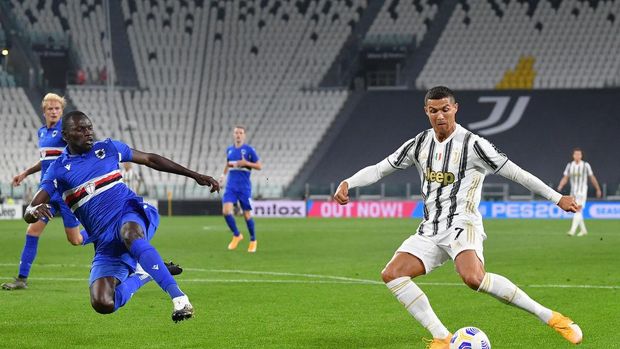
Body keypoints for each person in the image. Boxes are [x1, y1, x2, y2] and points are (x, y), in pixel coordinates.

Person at [333, 86, 583, 348]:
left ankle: (553, 318)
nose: (439, 115)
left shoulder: (474, 145)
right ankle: (441, 337)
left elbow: (516, 173)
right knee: (392, 274)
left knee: (473, 278)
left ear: (454, 108)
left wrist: (558, 198)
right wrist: (348, 182)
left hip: (463, 223)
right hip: (430, 228)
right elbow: (379, 169)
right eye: (433, 110)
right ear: (426, 112)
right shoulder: (419, 143)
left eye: (444, 109)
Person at [23, 111, 219, 321]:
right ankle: (143, 274)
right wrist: (33, 211)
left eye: (89, 127)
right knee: (103, 302)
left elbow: (150, 159)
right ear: (66, 135)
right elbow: (30, 210)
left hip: (130, 213)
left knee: (130, 233)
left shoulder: (107, 148)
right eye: (80, 129)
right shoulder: (58, 170)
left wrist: (195, 175)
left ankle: (180, 299)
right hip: (104, 239)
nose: (88, 133)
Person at [2, 93, 87, 291]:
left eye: (57, 108)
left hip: (67, 193)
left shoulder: (65, 132)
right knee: (32, 231)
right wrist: (25, 173)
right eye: (50, 108)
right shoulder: (42, 133)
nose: (54, 111)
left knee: (75, 240)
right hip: (47, 192)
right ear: (44, 111)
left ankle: (100, 234)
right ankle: (22, 279)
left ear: (62, 111)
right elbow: (46, 160)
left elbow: (80, 151)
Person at [219, 126, 262, 253]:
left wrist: (246, 163)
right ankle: (237, 235)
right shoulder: (230, 150)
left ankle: (253, 240)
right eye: (236, 133)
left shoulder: (249, 150)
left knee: (246, 214)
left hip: (244, 187)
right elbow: (228, 164)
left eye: (240, 133)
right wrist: (222, 176)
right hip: (231, 186)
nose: (238, 135)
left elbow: (259, 166)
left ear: (244, 135)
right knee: (226, 211)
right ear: (233, 135)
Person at [557, 148, 602, 236]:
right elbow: (565, 177)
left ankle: (572, 231)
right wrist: (560, 185)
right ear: (573, 156)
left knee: (578, 209)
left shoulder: (586, 165)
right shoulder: (570, 165)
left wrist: (598, 188)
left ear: (581, 156)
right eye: (576, 154)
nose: (577, 156)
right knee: (576, 211)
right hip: (573, 192)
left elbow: (592, 177)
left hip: (582, 192)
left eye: (579, 154)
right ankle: (584, 230)